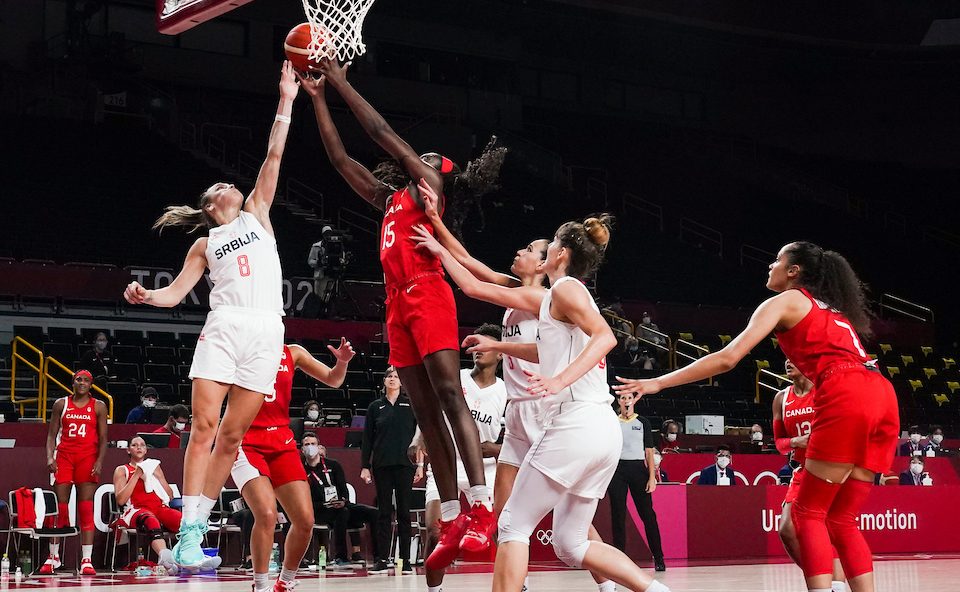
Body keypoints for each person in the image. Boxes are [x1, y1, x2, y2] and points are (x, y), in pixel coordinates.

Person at [299, 60, 505, 566]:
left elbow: (382, 132)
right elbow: (342, 159)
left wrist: (343, 83)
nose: (430, 163)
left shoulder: (427, 183)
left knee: (450, 392)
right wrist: (319, 98)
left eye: (435, 163)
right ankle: (454, 514)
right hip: (397, 306)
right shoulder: (390, 199)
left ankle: (480, 506)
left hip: (429, 292)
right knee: (425, 413)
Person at [615, 240, 899, 592]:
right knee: (842, 520)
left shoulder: (787, 300)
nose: (770, 266)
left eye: (777, 260)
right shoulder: (833, 310)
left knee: (807, 514)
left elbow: (727, 358)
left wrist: (658, 382)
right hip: (880, 392)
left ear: (794, 271)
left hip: (846, 391)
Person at [412, 213, 669, 592]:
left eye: (544, 245)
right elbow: (474, 277)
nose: (538, 248)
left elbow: (606, 338)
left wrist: (559, 379)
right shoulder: (554, 297)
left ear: (560, 253)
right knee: (570, 542)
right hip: (593, 428)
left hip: (573, 419)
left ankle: (583, 585)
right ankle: (654, 590)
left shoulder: (564, 289)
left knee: (513, 523)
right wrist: (437, 230)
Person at [122, 62, 298, 569]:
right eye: (221, 184)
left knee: (232, 437)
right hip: (225, 326)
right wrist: (145, 296)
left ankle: (194, 528)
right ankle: (192, 533)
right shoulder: (205, 242)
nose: (231, 183)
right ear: (212, 203)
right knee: (203, 426)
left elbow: (273, 154)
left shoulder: (258, 214)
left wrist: (286, 98)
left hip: (267, 331)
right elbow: (175, 294)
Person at [231, 339, 354, 592]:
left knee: (305, 520)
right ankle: (261, 586)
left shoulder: (293, 352)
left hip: (282, 442)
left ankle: (284, 582)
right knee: (265, 515)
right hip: (246, 440)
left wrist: (341, 362)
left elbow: (334, 379)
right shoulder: (239, 346)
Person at [412, 323, 507, 592]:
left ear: (500, 353)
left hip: (484, 469)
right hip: (447, 465)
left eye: (485, 345)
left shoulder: (505, 391)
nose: (478, 350)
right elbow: (431, 409)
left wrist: (496, 449)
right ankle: (434, 590)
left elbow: (518, 439)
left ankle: (515, 584)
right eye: (475, 346)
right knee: (434, 530)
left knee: (502, 531)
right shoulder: (458, 377)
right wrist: (417, 438)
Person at [772, 360, 847, 592]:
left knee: (828, 530)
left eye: (793, 357)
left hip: (830, 466)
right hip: (803, 468)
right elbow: (779, 443)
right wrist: (796, 441)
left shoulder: (824, 389)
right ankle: (820, 577)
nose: (787, 361)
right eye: (784, 358)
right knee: (786, 529)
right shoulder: (780, 399)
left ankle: (834, 585)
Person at [41, 370, 108, 575]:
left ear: (91, 384)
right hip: (65, 457)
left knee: (86, 509)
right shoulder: (61, 404)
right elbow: (51, 435)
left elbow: (104, 438)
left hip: (87, 459)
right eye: (79, 379)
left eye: (86, 380)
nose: (82, 383)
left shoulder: (99, 406)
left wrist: (99, 461)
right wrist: (50, 458)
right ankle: (54, 556)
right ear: (73, 382)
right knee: (60, 509)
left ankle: (86, 559)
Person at [360, 366, 418, 574]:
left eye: (396, 376)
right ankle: (382, 559)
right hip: (382, 465)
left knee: (404, 512)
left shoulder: (410, 404)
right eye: (389, 376)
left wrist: (419, 464)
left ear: (402, 382)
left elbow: (418, 438)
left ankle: (405, 560)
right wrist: (365, 466)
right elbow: (367, 439)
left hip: (406, 465)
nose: (393, 379)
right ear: (384, 381)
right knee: (384, 512)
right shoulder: (375, 407)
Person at [301, 433, 379, 567]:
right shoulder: (301, 469)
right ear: (302, 449)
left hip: (340, 505)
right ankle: (340, 556)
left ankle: (379, 557)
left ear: (319, 446)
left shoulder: (334, 465)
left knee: (374, 513)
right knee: (342, 513)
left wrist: (343, 500)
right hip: (319, 510)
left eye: (313, 444)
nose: (310, 447)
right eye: (307, 445)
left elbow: (344, 490)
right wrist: (325, 505)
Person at [608, 393, 665, 571]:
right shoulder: (612, 421)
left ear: (634, 401)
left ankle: (659, 557)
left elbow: (649, 452)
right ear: (618, 401)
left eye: (629, 398)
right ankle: (619, 559)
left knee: (647, 514)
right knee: (618, 514)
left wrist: (651, 477)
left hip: (637, 470)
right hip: (617, 470)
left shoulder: (643, 422)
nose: (626, 401)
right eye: (623, 398)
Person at [112, 436, 181, 574]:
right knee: (150, 519)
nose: (139, 447)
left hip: (158, 508)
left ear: (146, 450)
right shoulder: (122, 470)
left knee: (182, 520)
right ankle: (165, 558)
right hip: (136, 510)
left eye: (142, 445)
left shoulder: (154, 467)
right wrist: (136, 475)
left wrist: (159, 477)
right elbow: (120, 500)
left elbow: (170, 495)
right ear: (128, 450)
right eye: (134, 445)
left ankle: (189, 559)